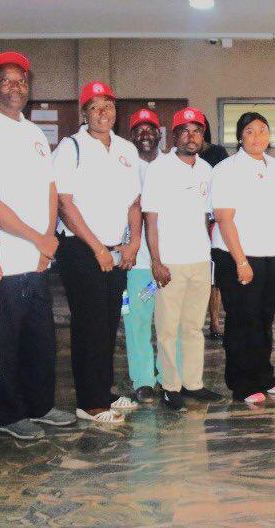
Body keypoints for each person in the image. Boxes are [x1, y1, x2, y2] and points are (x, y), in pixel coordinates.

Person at [0, 51, 76, 440]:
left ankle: (40, 405)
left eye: (21, 80)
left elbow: (50, 188)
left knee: (40, 340)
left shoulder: (33, 133)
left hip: (37, 259)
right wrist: (39, 239)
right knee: (4, 344)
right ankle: (9, 414)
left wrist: (47, 241)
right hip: (3, 262)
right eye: (7, 80)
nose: (15, 87)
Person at [52, 81, 142, 424]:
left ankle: (104, 391)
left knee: (107, 323)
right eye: (95, 107)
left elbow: (134, 203)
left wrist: (133, 243)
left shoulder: (125, 149)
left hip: (116, 249)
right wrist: (97, 248)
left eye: (108, 106)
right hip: (81, 249)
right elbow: (65, 204)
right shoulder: (71, 147)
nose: (103, 113)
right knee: (89, 325)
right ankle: (90, 403)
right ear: (84, 114)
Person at [141, 107, 226, 412]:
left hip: (199, 259)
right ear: (174, 136)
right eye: (185, 131)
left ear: (203, 136)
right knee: (167, 329)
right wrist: (156, 261)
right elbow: (150, 220)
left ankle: (193, 383)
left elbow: (207, 216)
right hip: (170, 262)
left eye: (197, 131)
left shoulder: (206, 170)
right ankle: (170, 386)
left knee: (193, 327)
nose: (191, 137)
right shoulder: (159, 169)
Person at [211, 112, 275, 404]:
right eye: (249, 131)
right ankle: (242, 383)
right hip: (238, 256)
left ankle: (263, 375)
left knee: (264, 319)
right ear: (240, 137)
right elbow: (224, 218)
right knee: (242, 320)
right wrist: (241, 261)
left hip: (271, 254)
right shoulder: (227, 169)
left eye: (262, 130)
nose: (257, 136)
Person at [123, 108, 171, 404]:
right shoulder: (124, 166)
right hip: (138, 264)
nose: (145, 135)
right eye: (139, 130)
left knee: (170, 323)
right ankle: (143, 380)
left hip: (170, 261)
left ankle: (169, 378)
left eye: (150, 129)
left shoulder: (171, 165)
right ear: (131, 136)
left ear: (159, 134)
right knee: (138, 322)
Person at [198, 119, 229, 341]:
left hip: (213, 222)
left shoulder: (218, 153)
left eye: (198, 129)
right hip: (190, 223)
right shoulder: (181, 156)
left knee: (214, 275)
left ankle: (215, 322)